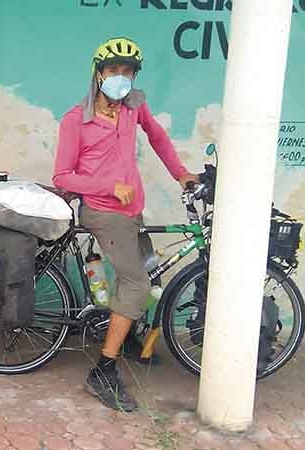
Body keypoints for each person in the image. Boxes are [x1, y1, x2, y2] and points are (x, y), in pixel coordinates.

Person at [52, 36, 198, 412]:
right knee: (137, 283)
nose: (121, 77)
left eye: (128, 71)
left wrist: (181, 173)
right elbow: (63, 177)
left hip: (131, 211)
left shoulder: (134, 106)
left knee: (149, 275)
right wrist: (108, 186)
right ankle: (103, 370)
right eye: (114, 70)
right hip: (102, 211)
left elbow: (158, 137)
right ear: (98, 74)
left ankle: (128, 333)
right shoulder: (76, 120)